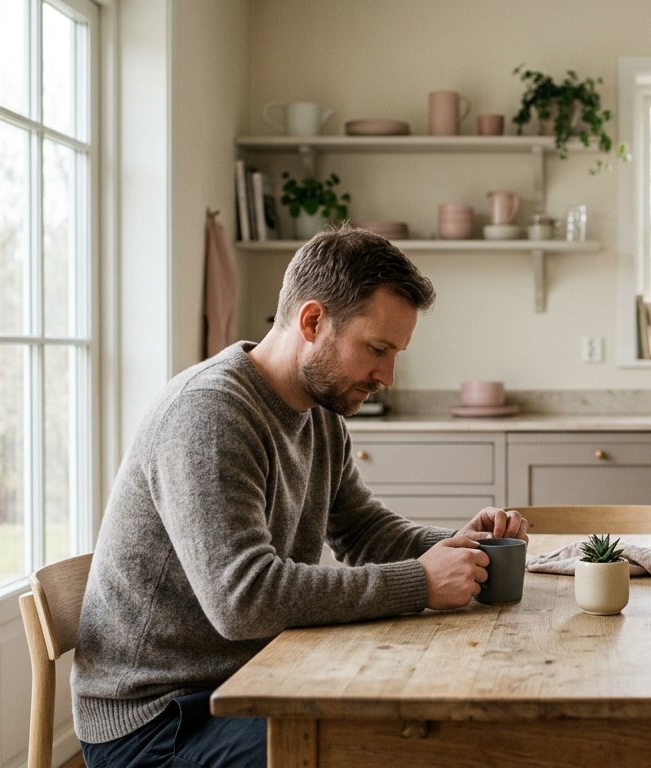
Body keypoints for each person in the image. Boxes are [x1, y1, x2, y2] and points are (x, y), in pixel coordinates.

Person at [72, 226, 527, 767]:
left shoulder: (319, 414)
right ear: (313, 322)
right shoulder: (210, 414)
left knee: (425, 726)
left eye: (395, 354)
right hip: (161, 722)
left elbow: (363, 531)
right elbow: (243, 600)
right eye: (377, 349)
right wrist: (421, 582)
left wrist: (460, 546)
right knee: (384, 748)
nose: (387, 375)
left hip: (252, 678)